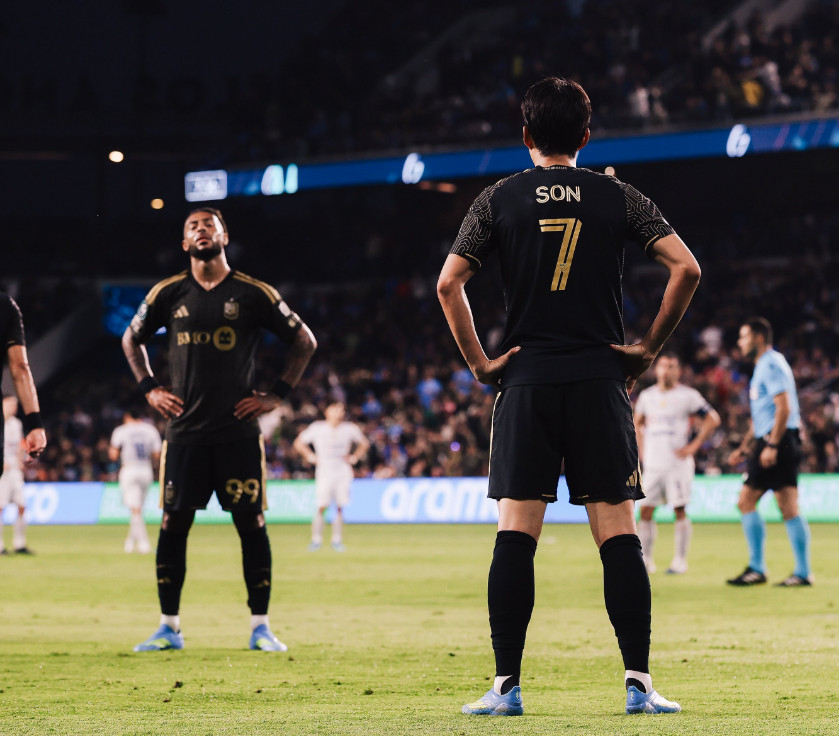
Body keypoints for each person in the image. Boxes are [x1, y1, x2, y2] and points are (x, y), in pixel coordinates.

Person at [437, 76, 700, 716]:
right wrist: (646, 351)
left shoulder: (496, 199)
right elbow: (687, 268)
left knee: (516, 535)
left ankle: (505, 687)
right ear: (587, 135)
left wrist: (480, 364)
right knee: (618, 536)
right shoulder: (617, 195)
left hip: (525, 381)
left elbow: (449, 285)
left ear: (525, 135)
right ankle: (638, 683)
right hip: (598, 379)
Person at [122, 207, 317, 652]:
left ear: (224, 235)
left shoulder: (253, 293)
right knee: (173, 522)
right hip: (185, 434)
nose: (201, 230)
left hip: (237, 433)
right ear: (184, 243)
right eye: (192, 227)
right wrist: (150, 388)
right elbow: (130, 339)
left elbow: (305, 340)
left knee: (251, 522)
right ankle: (168, 626)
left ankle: (261, 627)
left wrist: (278, 394)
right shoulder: (168, 292)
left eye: (209, 224)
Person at [726, 317, 810, 587]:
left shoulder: (771, 364)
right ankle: (802, 572)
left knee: (746, 501)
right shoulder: (766, 365)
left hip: (778, 440)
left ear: (759, 338)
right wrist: (745, 446)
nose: (740, 343)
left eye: (744, 336)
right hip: (777, 438)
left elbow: (783, 407)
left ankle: (758, 568)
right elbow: (764, 414)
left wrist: (772, 444)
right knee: (787, 506)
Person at [634, 353, 721, 574]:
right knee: (645, 510)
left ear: (678, 371)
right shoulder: (647, 396)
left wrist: (694, 446)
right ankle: (646, 561)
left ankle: (680, 561)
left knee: (679, 510)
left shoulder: (688, 396)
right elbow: (637, 423)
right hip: (653, 465)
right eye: (663, 366)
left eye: (671, 366)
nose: (666, 371)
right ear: (656, 370)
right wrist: (642, 450)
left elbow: (713, 418)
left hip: (678, 464)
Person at [0, 292, 47, 556]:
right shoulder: (5, 306)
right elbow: (19, 367)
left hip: (13, 470)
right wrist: (36, 423)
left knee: (18, 506)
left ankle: (16, 543)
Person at [293, 401, 369, 552]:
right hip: (325, 470)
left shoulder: (350, 429)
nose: (338, 413)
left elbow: (364, 443)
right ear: (327, 411)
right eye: (335, 410)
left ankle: (337, 540)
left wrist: (355, 457)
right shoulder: (317, 428)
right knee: (322, 505)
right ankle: (316, 539)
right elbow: (298, 443)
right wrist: (310, 456)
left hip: (342, 470)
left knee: (340, 507)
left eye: (341, 410)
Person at [108, 408, 163, 554]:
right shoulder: (150, 429)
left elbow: (113, 455)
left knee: (135, 510)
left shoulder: (121, 430)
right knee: (138, 509)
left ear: (127, 416)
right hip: (146, 469)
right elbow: (157, 454)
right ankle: (130, 542)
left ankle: (144, 543)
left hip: (130, 469)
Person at [1, 397, 32, 554]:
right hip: (2, 471)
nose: (14, 407)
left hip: (14, 470)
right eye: (11, 403)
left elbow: (19, 445)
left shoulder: (16, 424)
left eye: (15, 404)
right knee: (0, 507)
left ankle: (20, 544)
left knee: (22, 505)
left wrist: (21, 462)